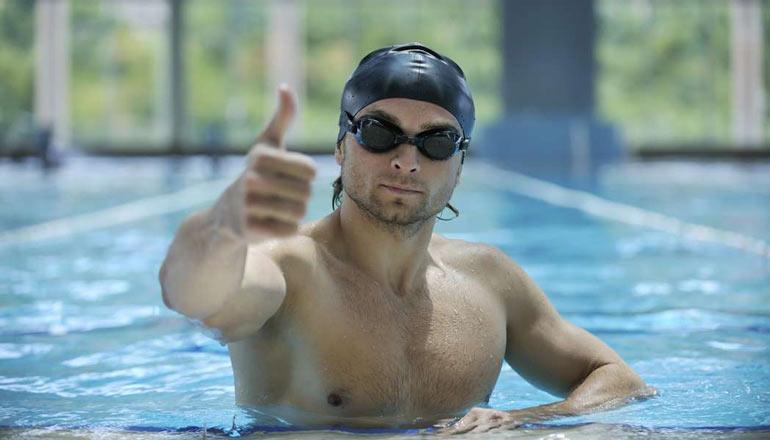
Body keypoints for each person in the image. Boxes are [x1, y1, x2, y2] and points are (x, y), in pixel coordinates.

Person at [159, 43, 655, 434]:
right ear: (341, 146)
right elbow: (205, 297)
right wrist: (217, 234)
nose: (406, 161)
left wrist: (523, 422)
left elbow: (621, 381)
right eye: (380, 133)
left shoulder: (489, 280)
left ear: (459, 166)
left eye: (437, 142)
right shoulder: (288, 268)